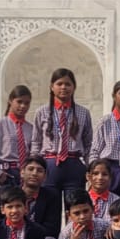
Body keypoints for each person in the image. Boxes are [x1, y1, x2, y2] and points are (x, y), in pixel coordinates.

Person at [34, 68, 94, 200]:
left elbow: (88, 143)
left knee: (74, 206)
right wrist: (35, 166)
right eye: (59, 84)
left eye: (68, 84)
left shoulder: (83, 112)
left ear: (74, 87)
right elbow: (36, 142)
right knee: (50, 206)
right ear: (52, 86)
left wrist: (90, 168)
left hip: (74, 164)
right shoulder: (41, 111)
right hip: (49, 165)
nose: (63, 87)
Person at [0, 85, 37, 188]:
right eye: (19, 102)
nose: (23, 106)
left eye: (26, 103)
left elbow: (33, 153)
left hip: (26, 173)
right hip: (7, 172)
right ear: (11, 101)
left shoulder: (31, 128)